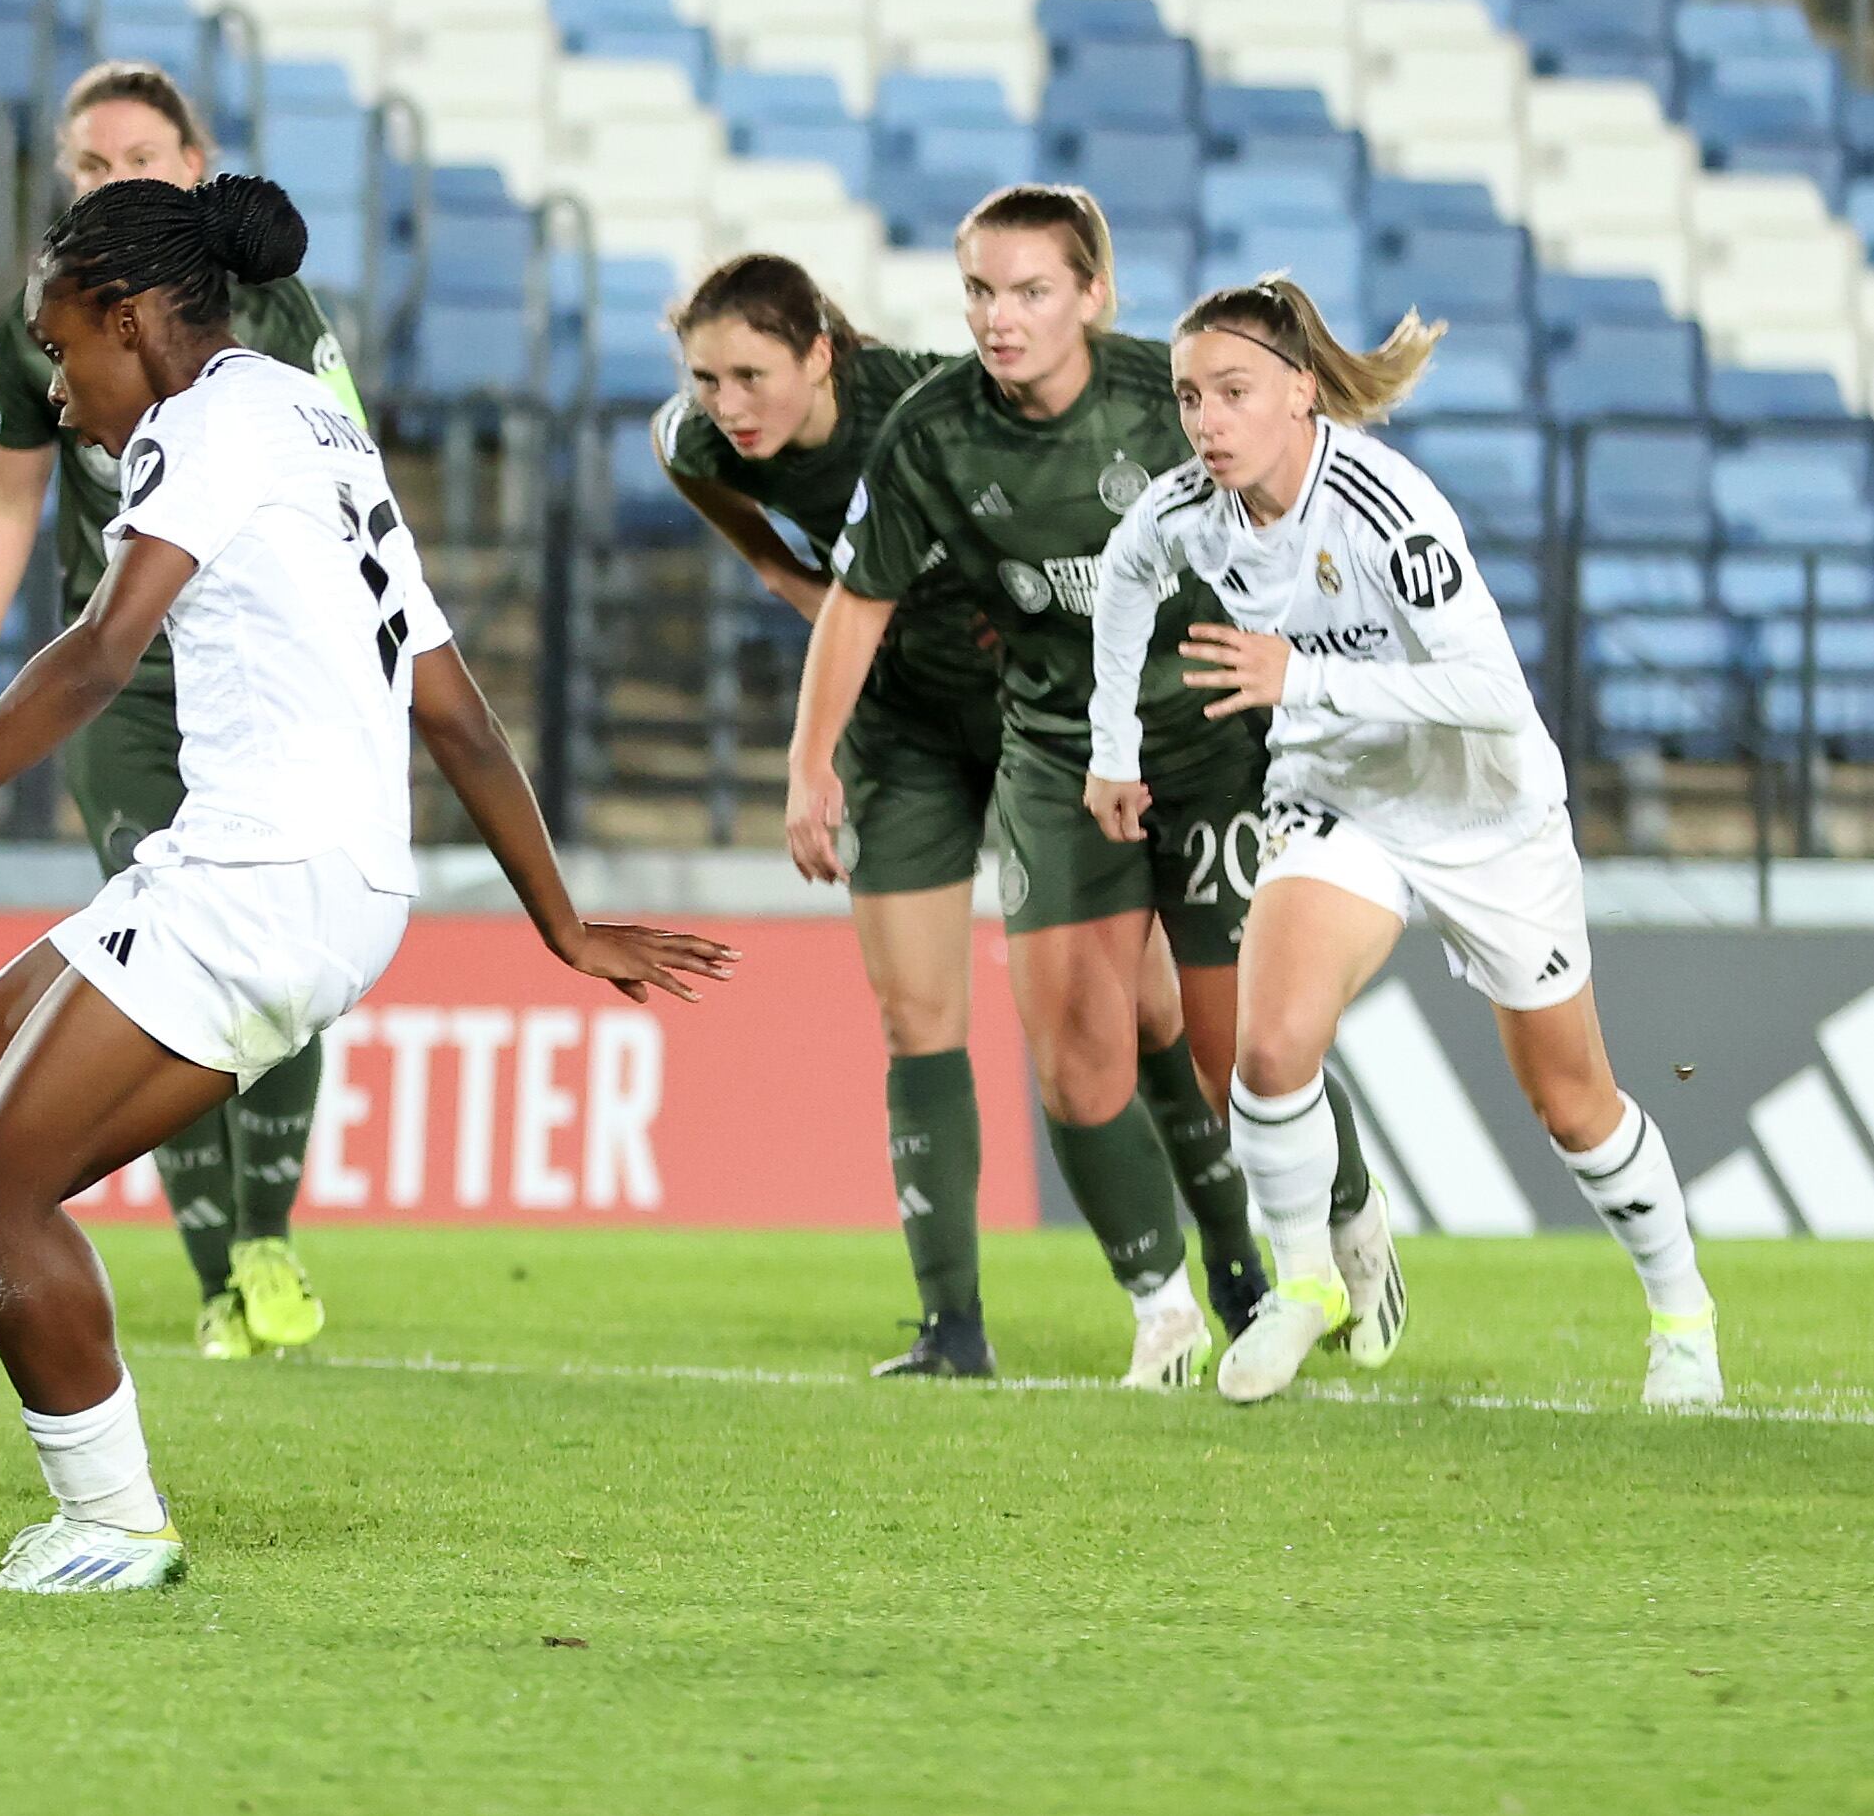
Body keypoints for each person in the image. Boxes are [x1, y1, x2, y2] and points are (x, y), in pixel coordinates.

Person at [0, 175, 735, 1592]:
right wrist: (559, 923)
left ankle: (112, 1524)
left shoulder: (199, 428)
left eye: (62, 350)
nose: (55, 391)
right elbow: (456, 707)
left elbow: (99, 654)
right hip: (282, 866)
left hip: (266, 875)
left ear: (128, 320)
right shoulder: (312, 417)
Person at [1090, 278, 1719, 1407]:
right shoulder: (1187, 508)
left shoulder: (1387, 506)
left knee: (1572, 1103)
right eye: (1189, 396)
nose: (1206, 421)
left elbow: (1490, 688)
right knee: (1267, 1050)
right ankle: (1306, 1282)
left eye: (1232, 392)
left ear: (1300, 389)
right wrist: (1110, 748)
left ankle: (1681, 1315)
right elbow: (1122, 580)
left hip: (1485, 816)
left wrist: (1303, 676)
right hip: (1345, 799)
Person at [789, 186, 1369, 1392]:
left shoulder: (1176, 400)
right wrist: (808, 763)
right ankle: (1160, 1307)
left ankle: (1348, 1211)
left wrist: (1323, 688)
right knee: (1073, 1053)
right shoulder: (931, 432)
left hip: (1213, 748)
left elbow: (1312, 520)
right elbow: (859, 600)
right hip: (1058, 750)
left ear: (1094, 296)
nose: (1000, 319)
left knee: (1239, 1053)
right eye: (981, 294)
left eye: (1032, 292)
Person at [657, 254, 1227, 1378]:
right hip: (899, 729)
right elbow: (729, 497)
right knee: (915, 1012)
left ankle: (1238, 1262)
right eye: (706, 376)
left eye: (750, 374)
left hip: (1034, 722)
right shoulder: (695, 442)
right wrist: (791, 581)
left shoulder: (927, 408)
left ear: (823, 352)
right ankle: (951, 1326)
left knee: (1149, 1006)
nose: (728, 404)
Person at [0, 60, 364, 1360]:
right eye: (87, 159)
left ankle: (265, 1231)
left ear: (197, 163)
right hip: (126, 678)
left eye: (138, 152)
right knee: (167, 948)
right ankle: (220, 1277)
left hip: (272, 672)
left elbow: (352, 486)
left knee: (281, 950)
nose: (111, 173)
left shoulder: (275, 307)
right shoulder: (44, 318)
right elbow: (9, 496)